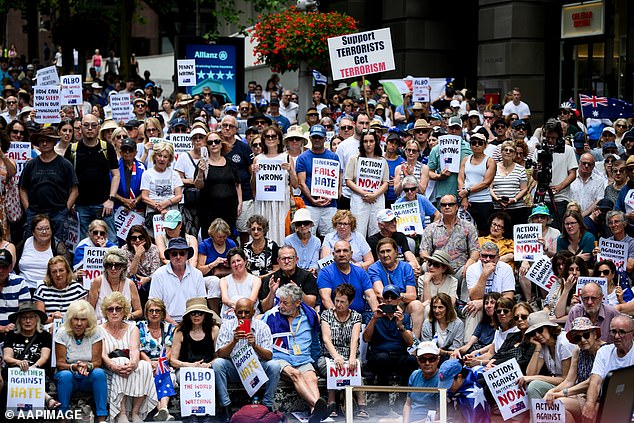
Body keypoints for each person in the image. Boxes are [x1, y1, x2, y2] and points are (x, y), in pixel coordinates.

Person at [262, 283, 327, 423]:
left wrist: (314, 362)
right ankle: (318, 407)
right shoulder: (271, 316)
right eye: (280, 301)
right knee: (296, 374)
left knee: (312, 379)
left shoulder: (310, 316)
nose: (281, 306)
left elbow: (315, 342)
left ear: (297, 302)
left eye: (285, 303)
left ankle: (315, 415)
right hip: (280, 358)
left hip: (303, 358)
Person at [213, 298, 281, 422]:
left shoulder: (262, 327)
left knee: (275, 366)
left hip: (255, 370)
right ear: (234, 312)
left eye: (247, 312)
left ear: (253, 312)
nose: (243, 316)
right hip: (234, 369)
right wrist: (233, 341)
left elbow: (269, 356)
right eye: (240, 312)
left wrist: (255, 346)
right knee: (218, 364)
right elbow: (220, 354)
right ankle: (226, 406)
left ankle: (267, 405)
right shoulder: (227, 326)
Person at [100, 292, 157, 422]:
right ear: (105, 312)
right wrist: (112, 365)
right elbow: (102, 354)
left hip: (127, 366)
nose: (114, 312)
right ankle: (122, 413)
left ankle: (136, 412)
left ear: (124, 311)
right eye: (110, 309)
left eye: (118, 309)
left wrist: (134, 363)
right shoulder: (99, 329)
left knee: (144, 365)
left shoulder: (132, 328)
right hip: (109, 368)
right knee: (121, 361)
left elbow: (134, 350)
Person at [64, 113, 119, 242]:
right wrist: (70, 202)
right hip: (81, 206)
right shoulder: (73, 150)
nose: (90, 128)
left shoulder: (107, 148)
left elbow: (116, 175)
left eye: (93, 125)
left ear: (98, 127)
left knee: (111, 241)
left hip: (104, 205)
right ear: (80, 128)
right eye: (86, 125)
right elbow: (66, 180)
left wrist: (111, 199)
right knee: (84, 244)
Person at [19, 126, 78, 241]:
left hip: (58, 213)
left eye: (48, 140)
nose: (44, 143)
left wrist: (65, 210)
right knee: (31, 247)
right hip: (35, 213)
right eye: (41, 141)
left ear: (54, 142)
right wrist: (28, 210)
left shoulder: (65, 164)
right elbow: (22, 189)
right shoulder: (31, 165)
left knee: (58, 249)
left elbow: (74, 190)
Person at [543, 317, 606, 423]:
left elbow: (592, 381)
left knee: (559, 403)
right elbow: (569, 380)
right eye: (577, 337)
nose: (582, 340)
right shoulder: (578, 351)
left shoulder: (604, 350)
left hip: (600, 397)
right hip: (581, 396)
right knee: (556, 405)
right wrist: (552, 391)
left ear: (594, 334)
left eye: (586, 335)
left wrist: (562, 393)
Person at [318, 283, 367, 419]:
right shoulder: (326, 315)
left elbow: (355, 339)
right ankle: (332, 402)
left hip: (349, 352)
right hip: (329, 354)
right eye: (337, 300)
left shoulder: (356, 316)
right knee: (333, 367)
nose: (338, 304)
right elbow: (326, 339)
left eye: (342, 302)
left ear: (350, 302)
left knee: (354, 366)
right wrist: (336, 356)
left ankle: (362, 405)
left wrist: (352, 357)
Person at [420, 194, 480, 302]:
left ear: (457, 207)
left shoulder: (468, 226)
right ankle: (429, 301)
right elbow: (423, 251)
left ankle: (463, 302)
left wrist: (470, 261)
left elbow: (475, 249)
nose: (447, 207)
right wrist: (434, 263)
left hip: (460, 268)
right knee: (425, 266)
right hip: (438, 268)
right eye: (443, 205)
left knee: (472, 268)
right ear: (440, 208)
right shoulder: (431, 228)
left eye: (450, 204)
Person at [54, 300, 108, 422]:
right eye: (75, 319)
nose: (79, 323)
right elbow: (60, 364)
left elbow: (97, 362)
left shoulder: (96, 332)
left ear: (88, 321)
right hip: (69, 374)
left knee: (99, 373)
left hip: (87, 375)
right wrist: (74, 367)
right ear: (70, 320)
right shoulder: (62, 333)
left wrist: (87, 366)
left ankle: (101, 417)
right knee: (65, 375)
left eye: (83, 319)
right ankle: (63, 416)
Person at [1, 302, 57, 410]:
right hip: (15, 372)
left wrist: (33, 368)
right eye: (24, 318)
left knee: (30, 375)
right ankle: (47, 397)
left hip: (37, 371)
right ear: (19, 320)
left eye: (31, 317)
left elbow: (44, 357)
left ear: (37, 319)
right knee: (20, 375)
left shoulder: (44, 335)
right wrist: (19, 362)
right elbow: (7, 357)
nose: (27, 321)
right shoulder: (12, 335)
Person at [364, 285, 417, 396]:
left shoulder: (405, 317)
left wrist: (400, 326)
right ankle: (383, 400)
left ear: (398, 300)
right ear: (382, 299)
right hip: (379, 354)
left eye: (393, 297)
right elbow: (366, 338)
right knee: (383, 359)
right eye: (386, 297)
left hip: (398, 355)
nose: (389, 300)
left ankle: (403, 398)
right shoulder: (374, 316)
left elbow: (410, 342)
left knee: (411, 360)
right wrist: (374, 319)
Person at [580, 314, 634, 422]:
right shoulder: (604, 352)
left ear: (633, 334)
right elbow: (595, 381)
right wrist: (589, 404)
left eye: (622, 332)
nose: (617, 336)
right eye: (613, 332)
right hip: (607, 402)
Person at [251, 126, 298, 245]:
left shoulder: (286, 157)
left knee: (281, 230)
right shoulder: (258, 159)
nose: (270, 139)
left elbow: (296, 184)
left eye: (273, 136)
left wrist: (290, 170)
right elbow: (253, 187)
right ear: (263, 140)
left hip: (281, 202)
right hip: (263, 202)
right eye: (267, 136)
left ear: (278, 140)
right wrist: (253, 173)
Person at [369, 238, 424, 338]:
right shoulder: (374, 268)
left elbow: (412, 295)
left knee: (417, 305)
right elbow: (380, 293)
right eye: (382, 252)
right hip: (384, 305)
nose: (385, 255)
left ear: (396, 252)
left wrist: (398, 297)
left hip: (403, 304)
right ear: (378, 255)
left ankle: (414, 343)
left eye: (388, 251)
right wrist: (394, 300)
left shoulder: (406, 267)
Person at [295, 124, 342, 237]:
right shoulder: (302, 158)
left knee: (330, 237)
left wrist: (331, 196)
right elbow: (301, 183)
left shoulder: (333, 157)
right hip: (309, 204)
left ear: (325, 138)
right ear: (310, 138)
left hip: (330, 205)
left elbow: (338, 181)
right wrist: (312, 199)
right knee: (308, 236)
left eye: (320, 137)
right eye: (314, 137)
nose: (317, 140)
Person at [518, 310, 575, 402]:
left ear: (549, 328)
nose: (537, 335)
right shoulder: (544, 345)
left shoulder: (564, 343)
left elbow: (566, 379)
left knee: (534, 386)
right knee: (531, 384)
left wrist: (533, 378)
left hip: (571, 386)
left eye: (540, 330)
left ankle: (536, 416)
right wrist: (537, 347)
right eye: (533, 333)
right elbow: (530, 374)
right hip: (557, 384)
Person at [195, 130, 242, 238]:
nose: (214, 144)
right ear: (206, 146)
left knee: (228, 236)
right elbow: (198, 185)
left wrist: (239, 203)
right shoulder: (202, 163)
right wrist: (200, 172)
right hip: (209, 209)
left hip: (229, 208)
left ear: (221, 144)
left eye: (216, 141)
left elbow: (237, 184)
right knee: (209, 237)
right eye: (210, 142)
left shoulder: (230, 163)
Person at [148, 237, 207, 324]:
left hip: (193, 322)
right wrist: (175, 325)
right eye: (174, 254)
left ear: (187, 255)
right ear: (169, 256)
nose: (178, 257)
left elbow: (201, 304)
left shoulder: (197, 274)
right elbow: (155, 305)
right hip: (165, 322)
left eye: (182, 253)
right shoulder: (159, 275)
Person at [137, 298, 176, 422]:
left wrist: (159, 364)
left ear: (163, 313)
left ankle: (162, 409)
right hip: (144, 362)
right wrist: (150, 364)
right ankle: (163, 410)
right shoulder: (140, 327)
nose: (154, 314)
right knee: (148, 375)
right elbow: (139, 350)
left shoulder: (169, 328)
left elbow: (169, 350)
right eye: (151, 311)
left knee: (166, 374)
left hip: (163, 362)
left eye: (157, 311)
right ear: (146, 313)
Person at [318, 240, 379, 319]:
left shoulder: (361, 272)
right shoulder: (325, 272)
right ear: (333, 255)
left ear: (351, 254)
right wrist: (339, 319)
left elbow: (370, 296)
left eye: (345, 251)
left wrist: (377, 314)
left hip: (359, 316)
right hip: (334, 317)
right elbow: (326, 299)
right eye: (338, 251)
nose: (342, 254)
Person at [345, 129, 389, 237]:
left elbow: (386, 183)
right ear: (361, 143)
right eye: (365, 141)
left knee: (376, 228)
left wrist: (374, 195)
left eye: (371, 141)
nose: (368, 144)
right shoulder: (354, 159)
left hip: (377, 198)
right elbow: (348, 180)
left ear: (376, 142)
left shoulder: (382, 160)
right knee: (358, 229)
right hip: (359, 198)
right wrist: (364, 193)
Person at [16, 214, 69, 292]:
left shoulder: (57, 246)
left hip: (49, 287)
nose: (44, 232)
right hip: (23, 287)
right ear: (33, 232)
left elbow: (66, 268)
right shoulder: (24, 244)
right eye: (40, 229)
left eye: (47, 228)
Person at [89, 247, 142, 321]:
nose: (113, 269)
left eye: (117, 266)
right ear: (105, 267)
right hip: (101, 325)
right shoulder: (98, 281)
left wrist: (130, 315)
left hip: (124, 324)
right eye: (109, 265)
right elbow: (90, 309)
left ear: (123, 267)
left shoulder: (130, 284)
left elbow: (139, 311)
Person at [140, 141, 183, 235]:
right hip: (153, 215)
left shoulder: (174, 174)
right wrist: (159, 208)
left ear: (169, 159)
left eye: (165, 156)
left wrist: (166, 203)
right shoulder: (147, 174)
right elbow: (144, 197)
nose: (162, 159)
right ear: (154, 156)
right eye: (159, 155)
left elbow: (179, 196)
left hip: (172, 215)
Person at [260, 245, 318, 312]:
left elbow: (311, 304)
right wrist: (272, 292)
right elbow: (265, 309)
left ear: (296, 260)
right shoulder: (271, 279)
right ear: (278, 261)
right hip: (277, 315)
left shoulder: (307, 276)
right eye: (283, 259)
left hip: (301, 314)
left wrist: (298, 292)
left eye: (290, 258)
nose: (287, 261)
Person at [457, 132, 496, 233]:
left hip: (484, 201)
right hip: (468, 201)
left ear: (485, 145)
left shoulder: (490, 161)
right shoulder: (465, 160)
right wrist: (464, 197)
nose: (477, 145)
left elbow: (486, 182)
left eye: (480, 143)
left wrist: (467, 191)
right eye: (474, 143)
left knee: (484, 231)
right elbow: (461, 179)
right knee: (465, 231)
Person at [367, 208, 422, 275]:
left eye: (395, 220)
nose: (394, 224)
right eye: (390, 221)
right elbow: (377, 263)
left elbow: (407, 252)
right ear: (381, 225)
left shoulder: (400, 236)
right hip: (385, 270)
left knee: (413, 266)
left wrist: (416, 266)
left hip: (402, 267)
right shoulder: (373, 240)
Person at [197, 218, 236, 310]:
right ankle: (215, 312)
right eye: (219, 237)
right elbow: (199, 270)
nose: (222, 239)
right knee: (214, 281)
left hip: (227, 275)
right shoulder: (205, 245)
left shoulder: (231, 244)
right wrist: (213, 264)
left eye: (224, 236)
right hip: (209, 277)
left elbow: (239, 264)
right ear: (213, 235)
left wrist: (229, 264)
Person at [34, 256, 87, 325]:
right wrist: (53, 319)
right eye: (54, 272)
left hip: (72, 327)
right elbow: (39, 318)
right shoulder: (42, 289)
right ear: (50, 274)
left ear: (67, 271)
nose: (58, 274)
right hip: (49, 328)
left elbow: (83, 315)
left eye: (61, 270)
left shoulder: (78, 288)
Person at [453, 292, 501, 359]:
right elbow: (468, 345)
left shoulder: (502, 326)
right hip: (475, 353)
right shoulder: (483, 323)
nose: (489, 305)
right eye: (486, 303)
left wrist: (477, 352)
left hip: (490, 356)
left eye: (492, 303)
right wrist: (458, 350)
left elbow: (494, 345)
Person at [122, 225, 160, 307]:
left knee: (152, 285)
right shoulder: (124, 250)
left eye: (141, 237)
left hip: (150, 280)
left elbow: (156, 272)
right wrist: (137, 255)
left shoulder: (153, 249)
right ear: (129, 239)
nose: (137, 240)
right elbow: (130, 273)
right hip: (133, 281)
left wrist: (147, 279)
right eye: (134, 238)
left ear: (146, 238)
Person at [402, 341, 440, 422]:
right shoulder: (414, 375)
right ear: (418, 360)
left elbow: (439, 414)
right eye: (423, 359)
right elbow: (408, 404)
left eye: (431, 359)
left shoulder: (441, 380)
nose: (427, 363)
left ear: (438, 359)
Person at [218, 248, 261, 319]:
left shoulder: (255, 280)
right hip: (230, 314)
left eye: (238, 260)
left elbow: (252, 300)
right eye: (233, 262)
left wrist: (240, 308)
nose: (236, 264)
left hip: (250, 314)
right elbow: (225, 299)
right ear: (230, 265)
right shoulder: (224, 280)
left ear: (245, 261)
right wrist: (236, 307)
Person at [421, 293, 465, 359]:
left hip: (450, 358)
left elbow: (456, 348)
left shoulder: (458, 324)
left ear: (448, 308)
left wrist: (443, 352)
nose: (436, 310)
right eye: (434, 307)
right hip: (431, 358)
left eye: (440, 307)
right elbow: (426, 345)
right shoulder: (428, 323)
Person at [549, 256, 589, 324]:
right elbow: (558, 314)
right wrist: (566, 289)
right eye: (571, 269)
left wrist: (557, 320)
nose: (574, 273)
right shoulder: (560, 284)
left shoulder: (590, 286)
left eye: (578, 269)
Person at [284, 208, 321, 273]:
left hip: (311, 273)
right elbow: (290, 261)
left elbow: (315, 262)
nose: (302, 226)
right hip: (294, 272)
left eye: (305, 223)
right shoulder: (288, 240)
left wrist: (312, 269)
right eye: (299, 223)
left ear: (310, 224)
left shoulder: (316, 241)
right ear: (295, 225)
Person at [243, 215, 279, 279]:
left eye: (259, 229)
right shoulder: (245, 247)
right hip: (250, 281)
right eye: (253, 229)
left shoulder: (272, 246)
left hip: (268, 281)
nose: (256, 232)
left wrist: (260, 278)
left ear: (264, 230)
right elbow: (243, 269)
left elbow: (276, 270)